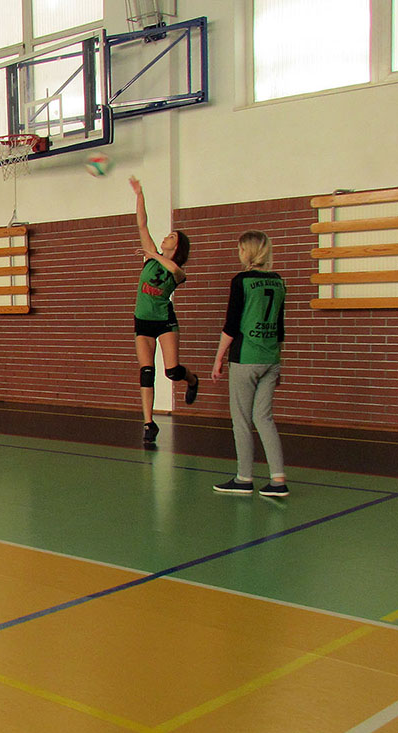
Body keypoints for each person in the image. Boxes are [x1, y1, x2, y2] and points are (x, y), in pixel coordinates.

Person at [212, 230, 288, 497]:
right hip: (270, 358)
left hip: (246, 358)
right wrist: (278, 360)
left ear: (247, 252)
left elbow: (231, 325)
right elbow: (280, 326)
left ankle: (244, 477)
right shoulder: (278, 282)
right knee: (264, 418)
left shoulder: (241, 281)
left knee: (242, 420)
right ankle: (278, 479)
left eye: (240, 249)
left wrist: (219, 357)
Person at [129, 176, 198, 444]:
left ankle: (192, 380)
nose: (166, 237)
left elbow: (176, 272)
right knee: (147, 371)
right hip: (143, 321)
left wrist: (155, 255)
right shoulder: (151, 257)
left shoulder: (176, 270)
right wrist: (140, 195)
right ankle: (149, 424)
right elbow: (142, 224)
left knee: (172, 371)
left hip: (164, 320)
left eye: (172, 237)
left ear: (177, 247)